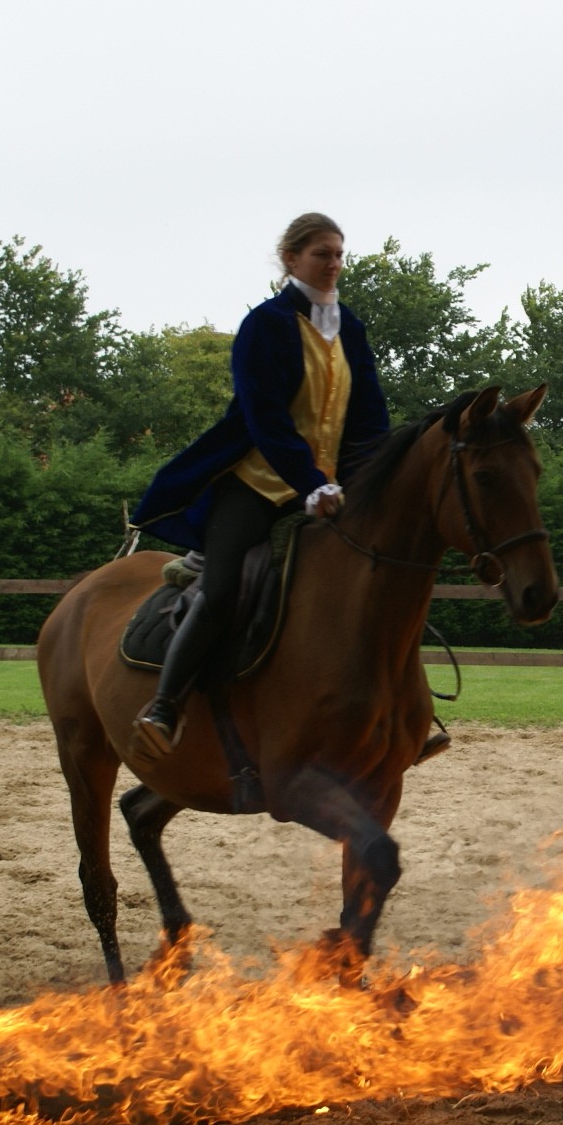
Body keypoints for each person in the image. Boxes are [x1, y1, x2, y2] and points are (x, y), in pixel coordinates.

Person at [126, 213, 390, 757]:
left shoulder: (351, 328)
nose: (334, 263)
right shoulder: (265, 325)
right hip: (255, 487)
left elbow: (368, 419)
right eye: (322, 253)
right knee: (222, 592)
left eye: (339, 253)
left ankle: (399, 712)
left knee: (379, 583)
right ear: (291, 258)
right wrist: (309, 483)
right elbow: (264, 418)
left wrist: (371, 477)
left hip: (329, 491)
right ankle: (164, 708)